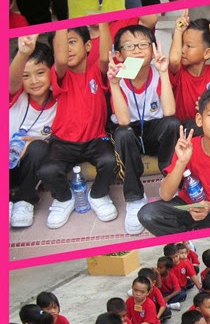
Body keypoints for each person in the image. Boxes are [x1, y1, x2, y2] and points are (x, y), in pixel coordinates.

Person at [137, 85, 210, 236]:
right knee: (148, 214)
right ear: (199, 119)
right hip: (188, 207)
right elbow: (165, 195)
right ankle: (188, 240)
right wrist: (181, 162)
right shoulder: (188, 147)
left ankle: (203, 235)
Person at [37, 24, 117, 229]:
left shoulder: (96, 71)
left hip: (96, 139)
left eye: (72, 42)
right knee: (47, 170)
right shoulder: (60, 74)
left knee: (110, 162)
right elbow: (61, 60)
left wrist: (103, 20)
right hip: (63, 142)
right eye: (62, 45)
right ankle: (64, 199)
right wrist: (62, 20)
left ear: (88, 45)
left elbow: (106, 56)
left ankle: (98, 195)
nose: (67, 49)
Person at [109, 23, 179, 234]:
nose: (137, 50)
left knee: (173, 123)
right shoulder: (118, 77)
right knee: (122, 133)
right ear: (119, 55)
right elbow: (123, 121)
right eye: (129, 46)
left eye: (143, 44)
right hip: (129, 131)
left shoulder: (157, 74)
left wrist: (164, 72)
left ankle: (169, 180)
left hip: (152, 130)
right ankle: (134, 197)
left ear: (153, 49)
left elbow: (169, 111)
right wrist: (114, 84)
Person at [9, 36, 57, 229]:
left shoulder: (59, 103)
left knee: (39, 148)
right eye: (26, 76)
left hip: (29, 168)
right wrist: (23, 53)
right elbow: (12, 81)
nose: (34, 81)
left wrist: (35, 143)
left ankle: (24, 201)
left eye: (40, 73)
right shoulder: (15, 94)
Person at [168, 9, 210, 126]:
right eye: (181, 44)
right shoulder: (179, 71)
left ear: (207, 53)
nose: (182, 50)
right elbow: (174, 59)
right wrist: (178, 30)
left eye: (189, 46)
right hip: (181, 127)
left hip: (205, 127)